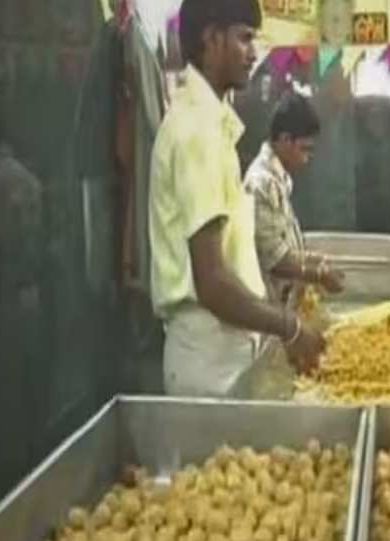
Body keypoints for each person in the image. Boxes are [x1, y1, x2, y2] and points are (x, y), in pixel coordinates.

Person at [148, 0, 324, 397]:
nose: (254, 53)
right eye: (244, 39)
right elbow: (211, 282)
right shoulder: (198, 131)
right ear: (211, 39)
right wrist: (289, 326)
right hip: (210, 353)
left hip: (225, 342)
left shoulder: (211, 124)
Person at [244, 92, 345, 309]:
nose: (307, 159)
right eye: (304, 150)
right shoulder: (261, 183)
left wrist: (316, 261)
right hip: (267, 312)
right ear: (285, 140)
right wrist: (317, 275)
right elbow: (275, 260)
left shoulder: (280, 179)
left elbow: (287, 246)